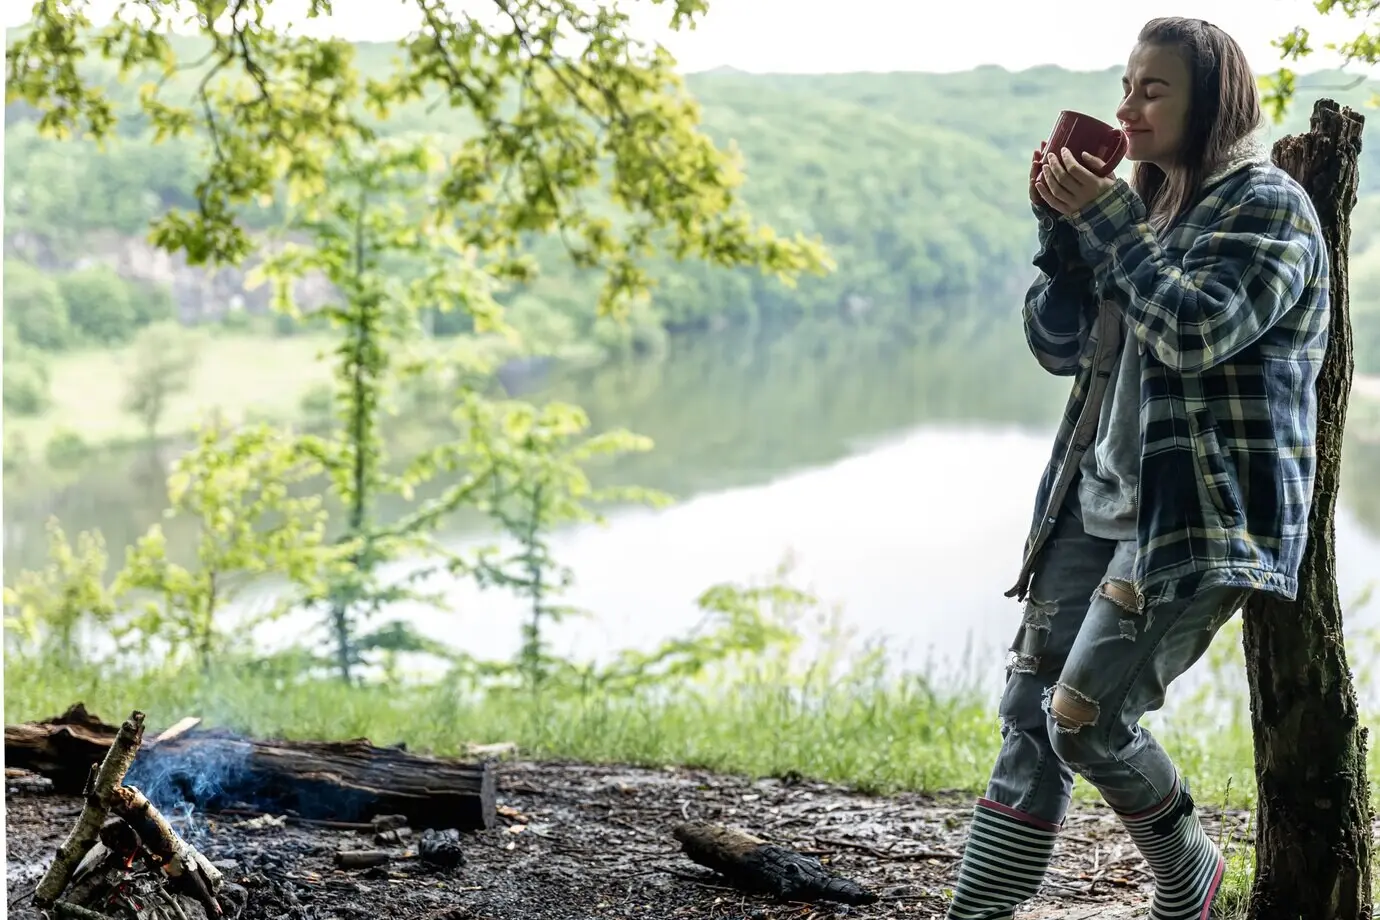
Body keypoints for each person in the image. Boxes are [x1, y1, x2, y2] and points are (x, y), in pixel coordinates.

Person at [945, 17, 1330, 920]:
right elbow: (1058, 346)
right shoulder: (1144, 211)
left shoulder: (1266, 206)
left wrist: (1109, 223)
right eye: (1126, 85)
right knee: (1028, 721)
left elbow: (1196, 334)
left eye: (1151, 89)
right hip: (1091, 501)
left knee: (1081, 721)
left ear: (1212, 101)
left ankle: (1189, 873)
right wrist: (1062, 237)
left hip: (1197, 515)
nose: (1127, 106)